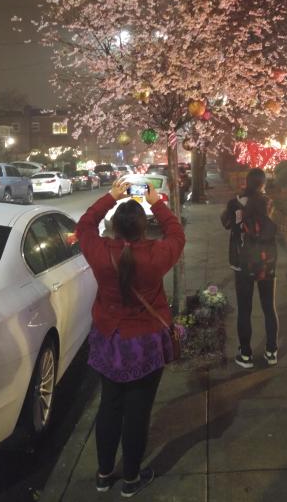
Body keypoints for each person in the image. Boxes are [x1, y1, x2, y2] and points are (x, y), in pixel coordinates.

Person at [76, 179, 185, 497]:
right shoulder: (156, 254)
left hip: (110, 339)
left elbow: (85, 224)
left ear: (114, 228)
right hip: (146, 343)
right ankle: (132, 478)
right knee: (138, 412)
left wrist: (109, 198)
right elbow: (177, 234)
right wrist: (157, 203)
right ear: (143, 228)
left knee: (109, 405)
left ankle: (104, 474)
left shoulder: (99, 251)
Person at [221, 168, 279, 368]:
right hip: (266, 261)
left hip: (242, 262)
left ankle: (245, 354)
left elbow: (226, 224)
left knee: (244, 310)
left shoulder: (236, 203)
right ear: (263, 184)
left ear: (246, 182)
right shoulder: (269, 203)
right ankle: (271, 351)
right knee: (268, 308)